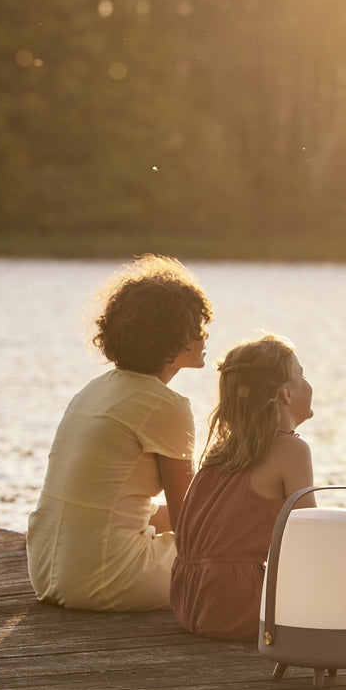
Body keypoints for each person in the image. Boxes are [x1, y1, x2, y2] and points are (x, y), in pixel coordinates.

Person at [27, 255, 213, 611]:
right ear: (172, 339)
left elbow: (119, 506)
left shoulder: (94, 389)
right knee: (229, 549)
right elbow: (189, 519)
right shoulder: (166, 405)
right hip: (109, 577)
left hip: (48, 571)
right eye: (197, 327)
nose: (205, 335)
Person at [170, 334, 315, 641]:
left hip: (189, 598)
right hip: (238, 604)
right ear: (286, 394)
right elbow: (307, 538)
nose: (308, 384)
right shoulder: (291, 450)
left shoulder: (223, 450)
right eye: (302, 375)